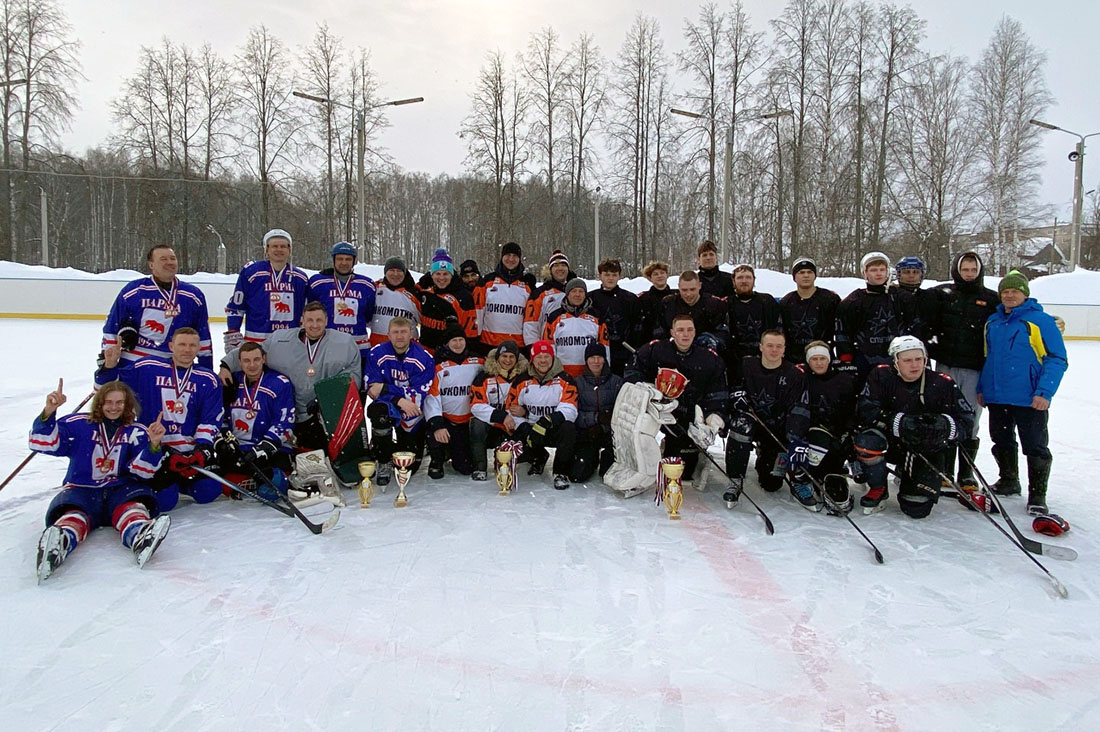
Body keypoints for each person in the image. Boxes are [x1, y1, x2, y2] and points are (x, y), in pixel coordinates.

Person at [30, 379, 171, 581]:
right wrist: (48, 413)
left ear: (127, 404)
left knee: (133, 509)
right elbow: (44, 443)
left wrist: (154, 446)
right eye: (109, 402)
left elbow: (143, 472)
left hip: (120, 490)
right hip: (82, 489)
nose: (114, 407)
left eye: (119, 403)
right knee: (74, 515)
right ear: (99, 403)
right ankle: (59, 542)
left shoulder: (137, 430)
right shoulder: (78, 424)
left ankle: (139, 534)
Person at [97, 327, 224, 510]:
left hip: (188, 451)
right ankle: (158, 481)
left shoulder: (208, 378)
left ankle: (182, 481)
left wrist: (200, 448)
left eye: (192, 345)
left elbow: (211, 417)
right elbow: (110, 388)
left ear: (198, 349)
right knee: (164, 502)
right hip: (155, 446)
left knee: (208, 492)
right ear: (171, 346)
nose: (187, 350)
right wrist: (109, 366)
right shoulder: (147, 367)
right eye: (182, 344)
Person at [976, 270, 1068, 515]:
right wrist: (983, 388)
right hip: (997, 396)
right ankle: (1008, 480)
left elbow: (1057, 359)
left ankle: (1037, 494)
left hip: (1029, 397)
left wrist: (1044, 392)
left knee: (1035, 446)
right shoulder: (993, 322)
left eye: (1014, 291)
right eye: (1005, 291)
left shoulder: (1040, 321)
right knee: (1001, 440)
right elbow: (989, 358)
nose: (1009, 295)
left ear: (1024, 294)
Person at [854, 336, 974, 518]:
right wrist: (898, 423)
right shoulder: (881, 375)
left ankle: (910, 475)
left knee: (916, 509)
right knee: (866, 442)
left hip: (925, 448)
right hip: (892, 441)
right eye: (907, 360)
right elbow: (866, 411)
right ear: (896, 361)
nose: (914, 365)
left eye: (919, 359)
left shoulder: (942, 382)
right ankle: (878, 487)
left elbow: (966, 420)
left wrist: (944, 426)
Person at [220, 302, 361, 452]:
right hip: (287, 411)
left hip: (324, 415)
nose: (314, 325)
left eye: (319, 320)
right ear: (302, 320)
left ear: (326, 320)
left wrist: (327, 397)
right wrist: (226, 365)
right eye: (310, 320)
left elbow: (353, 376)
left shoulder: (344, 342)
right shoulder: (280, 340)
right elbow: (254, 352)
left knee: (320, 459)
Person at [623, 313, 728, 484]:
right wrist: (645, 390)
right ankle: (638, 467)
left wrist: (712, 421)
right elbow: (632, 372)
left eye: (689, 330)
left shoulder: (709, 359)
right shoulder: (655, 350)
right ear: (672, 332)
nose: (685, 334)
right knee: (640, 427)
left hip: (688, 416)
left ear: (695, 332)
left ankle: (692, 451)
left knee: (681, 472)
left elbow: (718, 393)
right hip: (657, 410)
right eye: (680, 330)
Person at [930, 250, 998, 490]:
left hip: (973, 368)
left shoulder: (991, 299)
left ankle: (966, 472)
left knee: (970, 418)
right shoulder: (943, 294)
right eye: (964, 269)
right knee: (946, 416)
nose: (968, 274)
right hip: (946, 364)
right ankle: (945, 470)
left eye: (973, 270)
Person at [721, 330, 811, 508]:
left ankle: (766, 456)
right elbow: (730, 384)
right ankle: (735, 479)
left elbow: (799, 410)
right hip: (750, 421)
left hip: (776, 428)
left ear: (784, 349)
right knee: (741, 425)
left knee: (772, 484)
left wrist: (793, 438)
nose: (774, 350)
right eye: (770, 345)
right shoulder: (746, 365)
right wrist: (736, 394)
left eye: (779, 346)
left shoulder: (794, 375)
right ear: (761, 347)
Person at [103, 244, 213, 370]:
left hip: (174, 365)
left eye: (172, 258)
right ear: (151, 265)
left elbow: (203, 336)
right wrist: (107, 364)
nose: (169, 262)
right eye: (163, 259)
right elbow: (112, 328)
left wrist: (207, 369)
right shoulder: (133, 291)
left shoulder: (193, 296)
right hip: (134, 363)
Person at [214, 341, 295, 495]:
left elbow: (285, 421)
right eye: (246, 360)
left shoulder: (279, 382)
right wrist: (224, 441)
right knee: (218, 485)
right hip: (239, 449)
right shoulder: (231, 381)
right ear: (239, 362)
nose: (252, 365)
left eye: (256, 359)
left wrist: (264, 448)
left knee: (274, 486)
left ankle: (264, 479)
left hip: (270, 449)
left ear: (264, 359)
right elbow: (218, 417)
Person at [364, 317, 435, 480]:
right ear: (388, 334)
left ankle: (414, 446)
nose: (400, 336)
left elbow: (419, 394)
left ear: (411, 333)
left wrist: (386, 388)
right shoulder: (377, 353)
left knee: (408, 465)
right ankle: (383, 460)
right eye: (395, 332)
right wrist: (398, 399)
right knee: (378, 411)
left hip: (414, 410)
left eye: (403, 332)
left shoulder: (424, 358)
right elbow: (372, 389)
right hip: (390, 406)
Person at [506, 339, 579, 490]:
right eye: (539, 357)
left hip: (553, 428)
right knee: (514, 438)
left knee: (569, 428)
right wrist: (524, 426)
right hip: (532, 430)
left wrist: (547, 421)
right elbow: (511, 409)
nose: (543, 361)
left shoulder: (565, 379)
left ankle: (560, 472)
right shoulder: (521, 380)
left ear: (553, 358)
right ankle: (538, 457)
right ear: (532, 359)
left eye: (547, 356)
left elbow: (570, 409)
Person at [835, 251, 916, 381]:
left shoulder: (902, 298)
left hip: (898, 360)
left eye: (882, 269)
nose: (879, 273)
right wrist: (846, 360)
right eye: (873, 270)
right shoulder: (853, 302)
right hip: (863, 361)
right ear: (864, 273)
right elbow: (843, 334)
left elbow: (915, 328)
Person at [795, 340, 858, 504]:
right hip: (811, 432)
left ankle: (831, 473)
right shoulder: (801, 378)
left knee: (835, 465)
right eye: (814, 359)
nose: (819, 363)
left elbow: (851, 409)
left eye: (822, 359)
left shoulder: (843, 379)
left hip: (837, 431)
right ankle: (803, 476)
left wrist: (846, 431)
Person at [224, 229, 310, 350]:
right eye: (275, 246)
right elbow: (237, 306)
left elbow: (306, 311)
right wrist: (233, 332)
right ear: (267, 249)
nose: (279, 249)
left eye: (283, 246)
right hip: (256, 343)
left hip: (289, 344)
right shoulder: (252, 272)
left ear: (289, 250)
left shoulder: (300, 277)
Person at [424, 322, 485, 478]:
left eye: (461, 340)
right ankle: (437, 460)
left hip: (469, 422)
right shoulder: (437, 365)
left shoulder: (478, 362)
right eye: (454, 341)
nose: (458, 344)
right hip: (447, 421)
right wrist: (437, 424)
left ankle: (452, 452)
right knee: (433, 431)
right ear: (446, 343)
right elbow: (432, 397)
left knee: (465, 468)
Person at [306, 241, 377, 362]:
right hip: (326, 346)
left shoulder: (366, 285)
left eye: (348, 259)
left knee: (355, 380)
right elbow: (310, 311)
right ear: (333, 260)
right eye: (340, 259)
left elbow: (369, 314)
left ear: (354, 261)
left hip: (358, 346)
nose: (344, 263)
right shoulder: (317, 282)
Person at [469, 340, 528, 481]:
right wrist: (501, 417)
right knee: (476, 424)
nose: (507, 360)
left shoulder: (524, 377)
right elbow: (476, 406)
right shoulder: (483, 377)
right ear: (497, 358)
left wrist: (525, 411)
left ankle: (535, 458)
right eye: (504, 356)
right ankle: (480, 467)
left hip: (515, 424)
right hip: (492, 424)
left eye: (511, 357)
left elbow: (534, 401)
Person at [571, 341, 624, 482]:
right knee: (578, 475)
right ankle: (591, 459)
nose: (596, 361)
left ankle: (608, 458)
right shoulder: (577, 383)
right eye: (592, 358)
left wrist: (604, 424)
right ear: (586, 360)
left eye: (599, 357)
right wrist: (595, 418)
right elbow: (574, 412)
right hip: (588, 432)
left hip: (610, 434)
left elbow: (622, 412)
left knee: (608, 475)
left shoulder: (617, 381)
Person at [725, 263, 782, 385]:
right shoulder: (726, 304)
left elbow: (778, 329)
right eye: (740, 278)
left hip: (765, 358)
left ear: (754, 280)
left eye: (748, 277)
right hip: (735, 360)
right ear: (733, 282)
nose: (744, 281)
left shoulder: (767, 301)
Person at [474, 241, 537, 350]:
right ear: (502, 257)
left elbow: (531, 319)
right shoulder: (487, 281)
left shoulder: (527, 285)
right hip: (489, 345)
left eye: (515, 256)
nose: (511, 259)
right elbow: (478, 313)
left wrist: (530, 344)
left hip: (518, 347)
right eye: (508, 255)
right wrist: (475, 339)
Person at [543, 277, 609, 377]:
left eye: (581, 291)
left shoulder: (597, 317)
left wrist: (605, 371)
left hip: (589, 375)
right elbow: (549, 347)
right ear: (567, 294)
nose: (577, 294)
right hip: (562, 374)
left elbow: (605, 348)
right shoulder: (554, 317)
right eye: (573, 291)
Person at [588, 258, 644, 377]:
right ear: (600, 276)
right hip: (597, 354)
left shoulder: (630, 299)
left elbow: (638, 327)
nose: (610, 278)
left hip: (624, 353)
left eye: (614, 274)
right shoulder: (590, 299)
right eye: (607, 274)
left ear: (619, 276)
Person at [779, 257, 840, 362]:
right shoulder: (786, 302)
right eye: (801, 272)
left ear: (815, 275)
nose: (806, 275)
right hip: (794, 358)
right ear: (794, 277)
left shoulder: (830, 299)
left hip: (823, 358)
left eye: (809, 272)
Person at [417, 248, 478, 354]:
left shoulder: (463, 296)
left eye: (445, 274)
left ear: (451, 274)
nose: (441, 278)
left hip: (448, 356)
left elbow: (470, 333)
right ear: (431, 275)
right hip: (424, 352)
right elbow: (407, 291)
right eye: (438, 274)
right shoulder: (426, 291)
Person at [654, 270, 729, 351]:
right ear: (679, 287)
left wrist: (713, 339)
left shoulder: (714, 305)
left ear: (699, 286)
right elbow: (659, 330)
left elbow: (724, 332)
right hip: (674, 350)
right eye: (684, 290)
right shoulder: (668, 304)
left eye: (692, 289)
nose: (688, 294)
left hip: (705, 350)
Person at [523, 249, 575, 346]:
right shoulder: (540, 294)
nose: (560, 268)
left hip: (570, 348)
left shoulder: (576, 291)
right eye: (556, 266)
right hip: (546, 351)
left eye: (563, 265)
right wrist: (534, 348)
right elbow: (530, 325)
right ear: (550, 270)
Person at [368, 256, 422, 347]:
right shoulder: (375, 289)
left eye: (399, 271)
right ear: (385, 273)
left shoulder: (414, 294)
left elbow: (424, 321)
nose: (395, 274)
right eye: (392, 270)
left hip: (406, 347)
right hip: (377, 346)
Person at [894, 256, 939, 344]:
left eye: (916, 272)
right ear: (899, 274)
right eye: (906, 272)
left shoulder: (929, 297)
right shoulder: (891, 296)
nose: (911, 276)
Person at [638, 260, 672, 343]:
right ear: (650, 278)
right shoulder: (643, 299)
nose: (659, 276)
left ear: (667, 275)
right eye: (655, 274)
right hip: (650, 341)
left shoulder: (676, 296)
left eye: (662, 273)